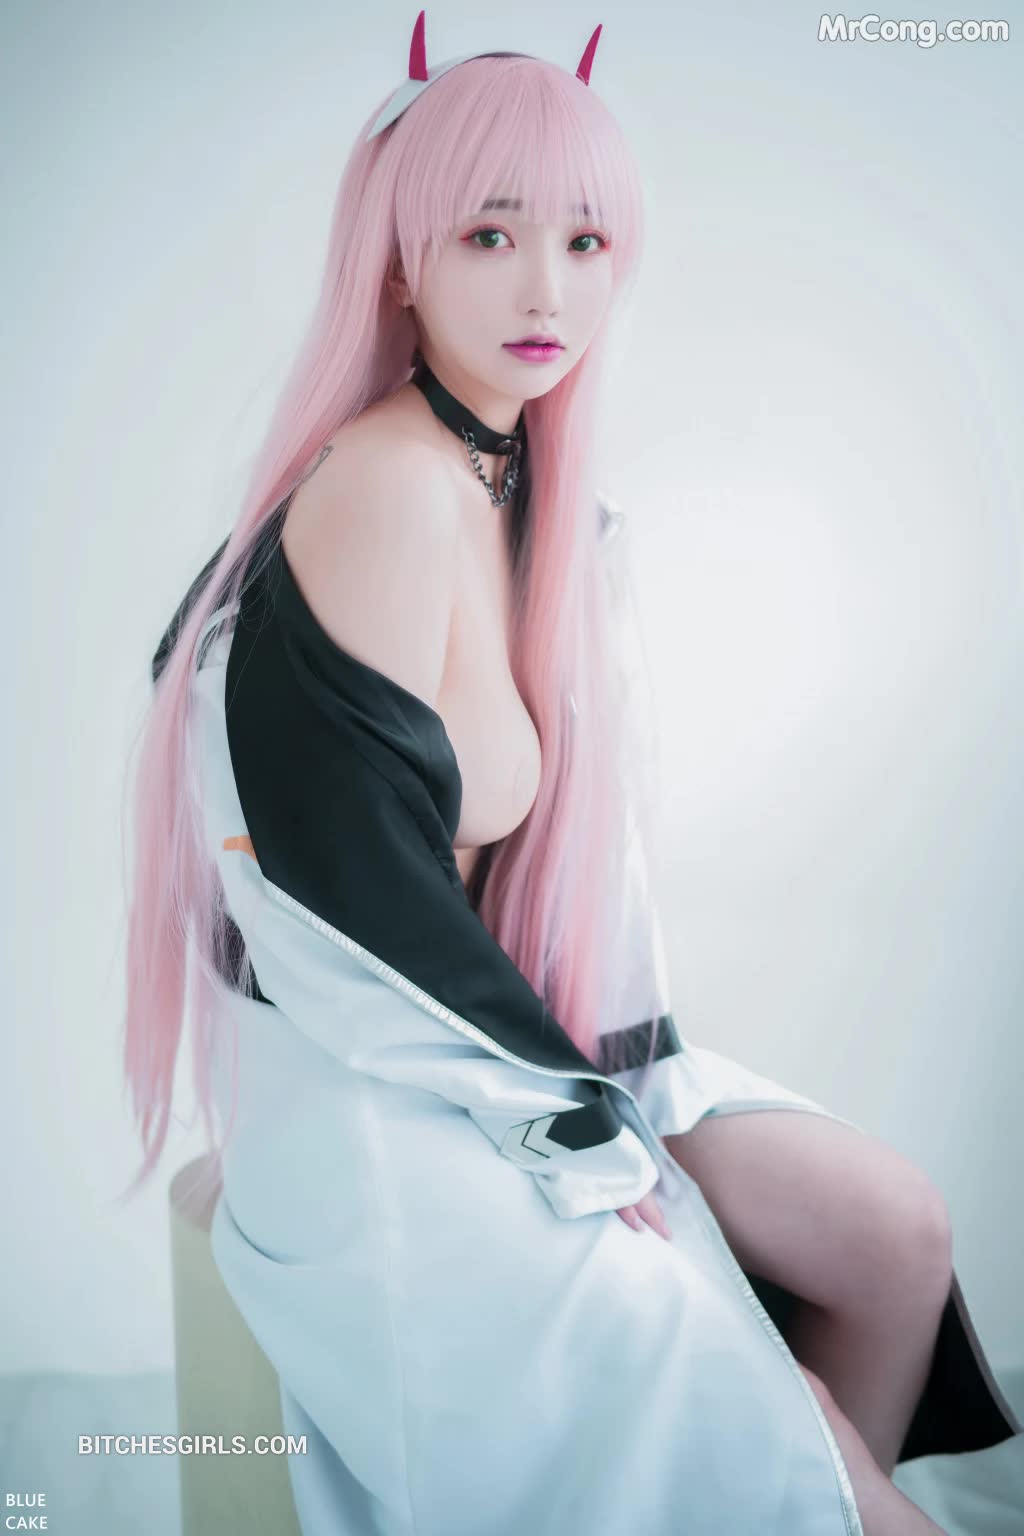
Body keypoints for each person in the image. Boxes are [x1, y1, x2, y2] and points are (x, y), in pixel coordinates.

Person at [121, 15, 1020, 1535]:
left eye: (586, 241)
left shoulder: (541, 504)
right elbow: (345, 915)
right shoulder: (391, 489)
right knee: (768, 1406)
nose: (549, 289)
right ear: (399, 262)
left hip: (517, 1052)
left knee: (892, 1234)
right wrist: (586, 1140)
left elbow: (595, 878)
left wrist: (630, 1077)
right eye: (491, 234)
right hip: (377, 1102)